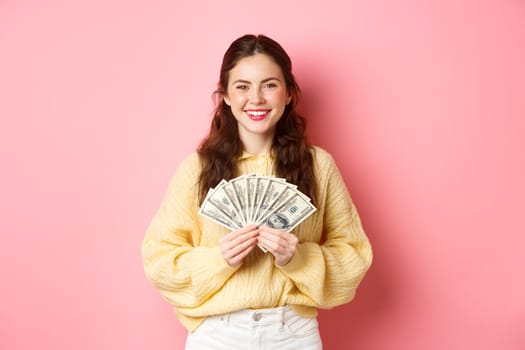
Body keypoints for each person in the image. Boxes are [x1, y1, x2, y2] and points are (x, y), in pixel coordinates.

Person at [141, 34, 373, 350]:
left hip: (293, 333)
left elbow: (353, 256)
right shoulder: (196, 169)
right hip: (217, 335)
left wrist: (299, 257)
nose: (256, 98)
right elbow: (159, 259)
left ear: (289, 93)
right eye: (242, 86)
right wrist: (219, 259)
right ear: (224, 95)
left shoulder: (318, 166)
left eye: (269, 85)